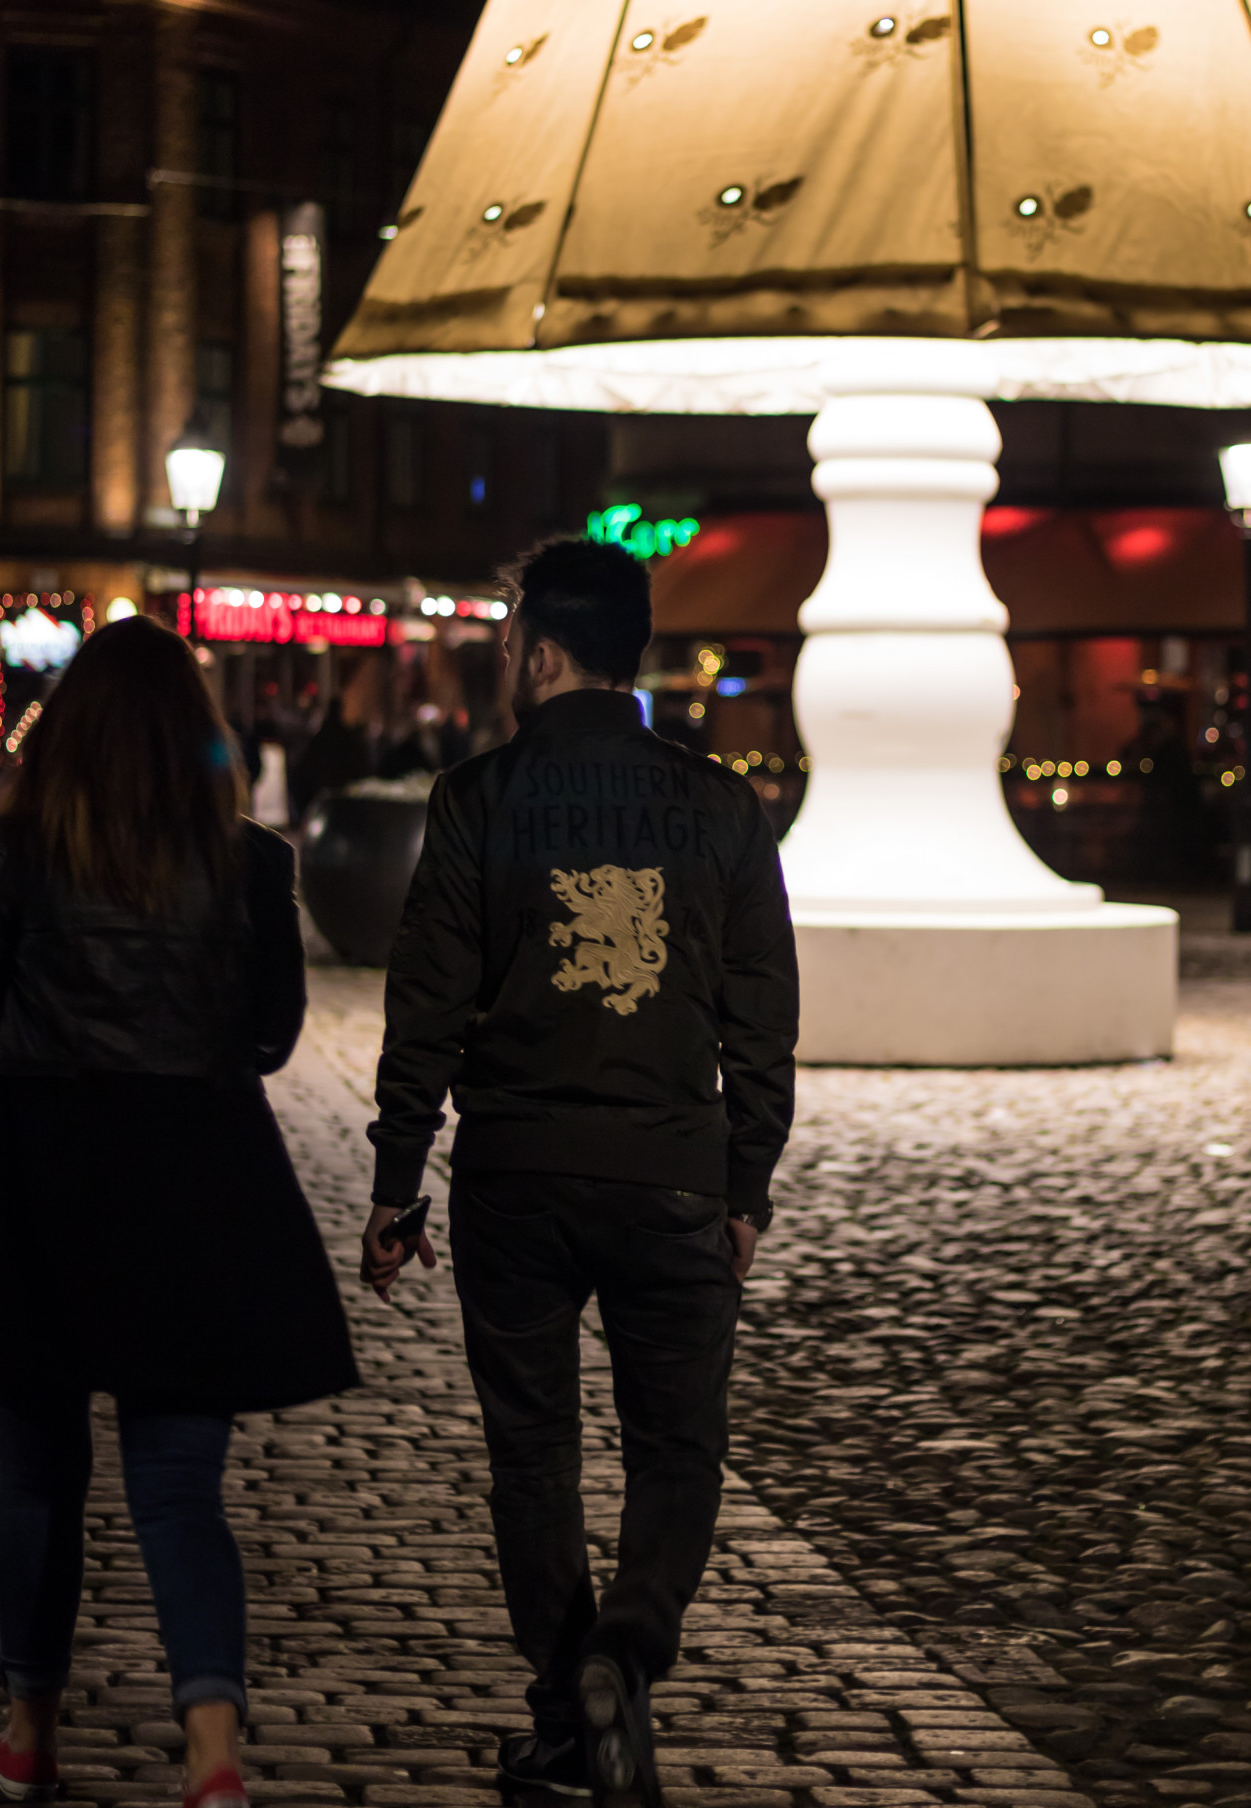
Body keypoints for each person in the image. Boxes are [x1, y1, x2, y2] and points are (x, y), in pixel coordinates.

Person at [359, 538, 798, 1808]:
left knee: (534, 1453)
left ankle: (564, 1712)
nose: (503, 660)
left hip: (517, 1176)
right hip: (669, 1170)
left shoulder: (476, 799)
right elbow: (760, 1017)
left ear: (542, 652)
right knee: (678, 1450)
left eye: (506, 642)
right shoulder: (721, 806)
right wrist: (746, 1184)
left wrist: (396, 1183)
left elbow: (425, 1008)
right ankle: (628, 1647)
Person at [0, 616, 357, 1808]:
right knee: (177, 1485)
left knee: (36, 1476)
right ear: (196, 735)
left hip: (40, 1178)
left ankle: (29, 1735)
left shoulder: (20, 854)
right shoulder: (252, 865)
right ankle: (213, 1758)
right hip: (193, 1178)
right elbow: (268, 1041)